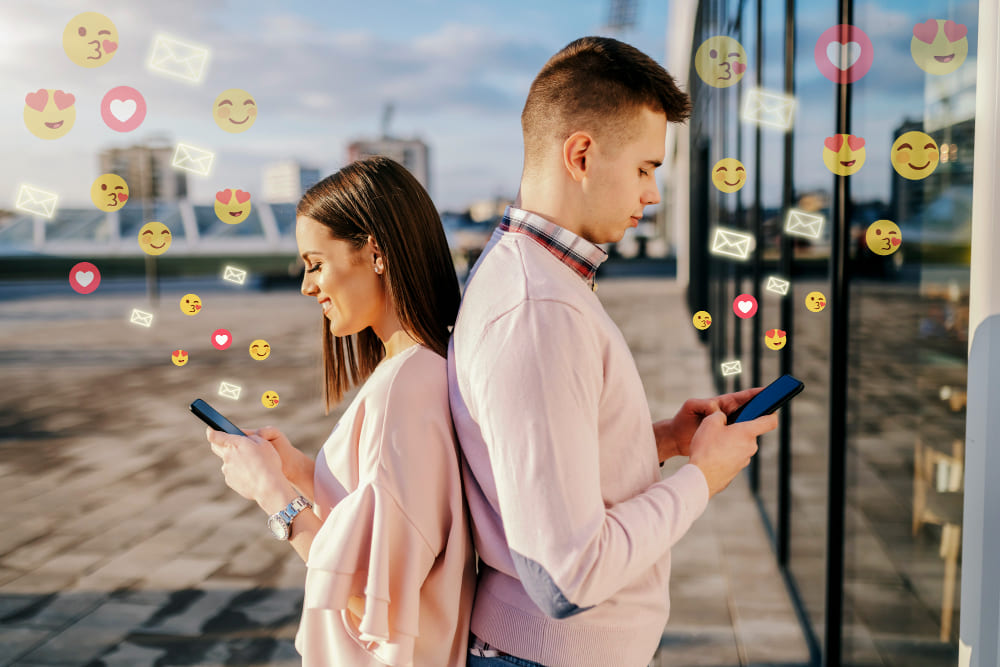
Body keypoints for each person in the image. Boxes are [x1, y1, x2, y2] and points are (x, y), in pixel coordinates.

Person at [448, 37, 779, 667]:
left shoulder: (537, 276)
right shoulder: (538, 309)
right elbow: (566, 575)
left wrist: (661, 441)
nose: (652, 194)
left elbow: (539, 469)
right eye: (645, 168)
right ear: (581, 154)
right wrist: (702, 477)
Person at [206, 156, 476, 666]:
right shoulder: (424, 368)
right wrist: (302, 472)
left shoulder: (403, 389)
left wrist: (274, 495)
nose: (308, 286)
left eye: (315, 263)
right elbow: (388, 515)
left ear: (374, 250)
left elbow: (373, 596)